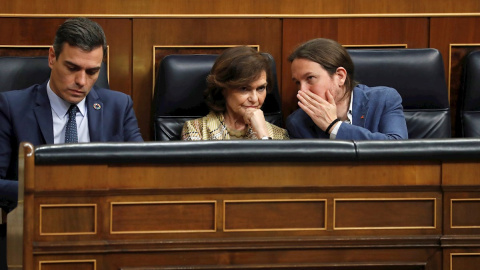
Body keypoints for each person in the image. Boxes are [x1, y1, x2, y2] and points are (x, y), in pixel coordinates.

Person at [0, 17, 143, 270]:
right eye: (72, 68)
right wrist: (50, 188)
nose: (81, 81)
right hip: (35, 226)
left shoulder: (119, 107)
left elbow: (140, 176)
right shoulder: (11, 107)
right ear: (52, 57)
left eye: (92, 72)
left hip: (103, 228)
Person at [286, 38, 408, 140]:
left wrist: (334, 127)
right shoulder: (298, 122)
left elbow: (397, 147)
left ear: (340, 76)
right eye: (297, 82)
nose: (302, 91)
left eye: (310, 78)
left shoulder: (383, 99)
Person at [181, 46, 289, 140]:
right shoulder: (196, 129)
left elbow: (275, 164)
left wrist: (263, 136)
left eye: (260, 88)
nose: (255, 99)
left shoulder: (279, 135)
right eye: (244, 88)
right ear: (223, 88)